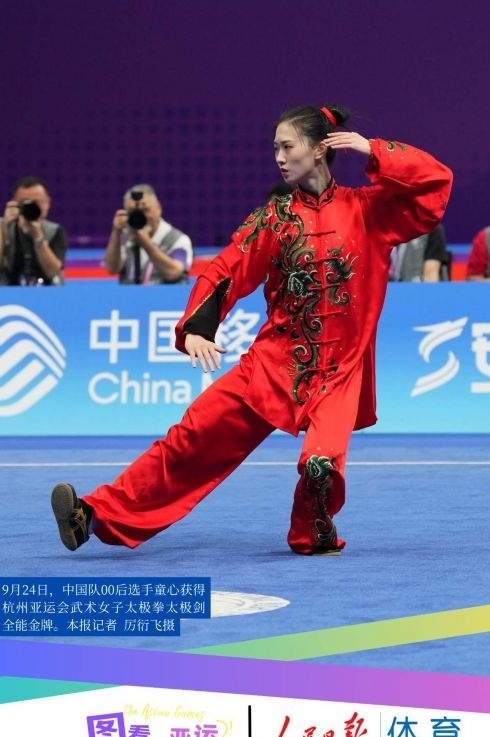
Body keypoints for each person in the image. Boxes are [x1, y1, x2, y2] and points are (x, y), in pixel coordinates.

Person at [50, 103, 452, 556]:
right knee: (192, 438)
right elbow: (226, 270)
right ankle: (95, 516)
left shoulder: (370, 211)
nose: (278, 157)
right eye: (274, 148)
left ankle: (312, 533)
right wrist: (199, 327)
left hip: (340, 373)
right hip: (273, 365)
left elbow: (435, 185)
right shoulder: (274, 218)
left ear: (319, 149)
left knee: (320, 465)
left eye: (287, 146)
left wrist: (373, 150)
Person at [103, 183, 193, 284]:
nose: (141, 216)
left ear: (158, 208)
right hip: (129, 294)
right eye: (133, 212)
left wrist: (145, 243)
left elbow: (173, 272)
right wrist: (116, 232)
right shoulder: (125, 236)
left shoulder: (179, 239)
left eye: (145, 210)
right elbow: (112, 268)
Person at [0, 176, 67, 285]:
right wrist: (3, 228)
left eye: (37, 202)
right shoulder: (2, 226)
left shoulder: (55, 230)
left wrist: (38, 237)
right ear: (14, 203)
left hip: (46, 289)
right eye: (25, 202)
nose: (31, 207)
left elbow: (54, 272)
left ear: (48, 203)